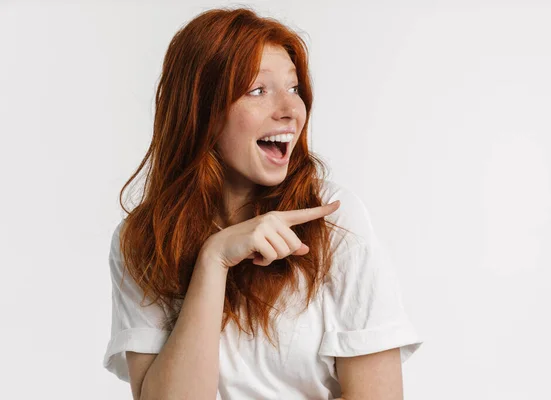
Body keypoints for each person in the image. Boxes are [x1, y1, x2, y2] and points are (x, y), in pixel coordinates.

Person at [103, 6, 422, 400]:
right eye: (258, 90)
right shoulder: (143, 239)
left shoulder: (333, 219)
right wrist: (213, 259)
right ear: (200, 110)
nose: (291, 111)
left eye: (293, 89)